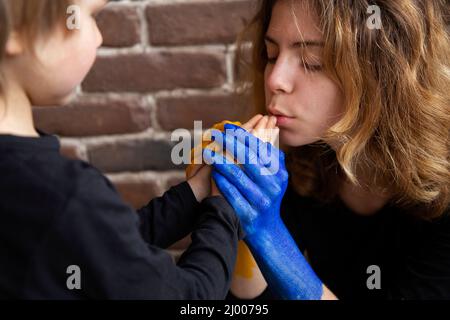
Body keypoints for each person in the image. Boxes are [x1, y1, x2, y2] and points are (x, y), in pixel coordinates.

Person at [203, 0, 450, 300]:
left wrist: (269, 236)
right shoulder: (299, 160)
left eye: (310, 61)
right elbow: (248, 296)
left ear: (384, 74)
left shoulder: (443, 191)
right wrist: (233, 210)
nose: (274, 79)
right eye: (271, 54)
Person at [0, 0, 244, 299]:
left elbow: (102, 248)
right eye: (86, 17)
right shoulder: (65, 195)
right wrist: (226, 206)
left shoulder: (36, 193)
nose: (99, 37)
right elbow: (192, 298)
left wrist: (197, 192)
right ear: (16, 33)